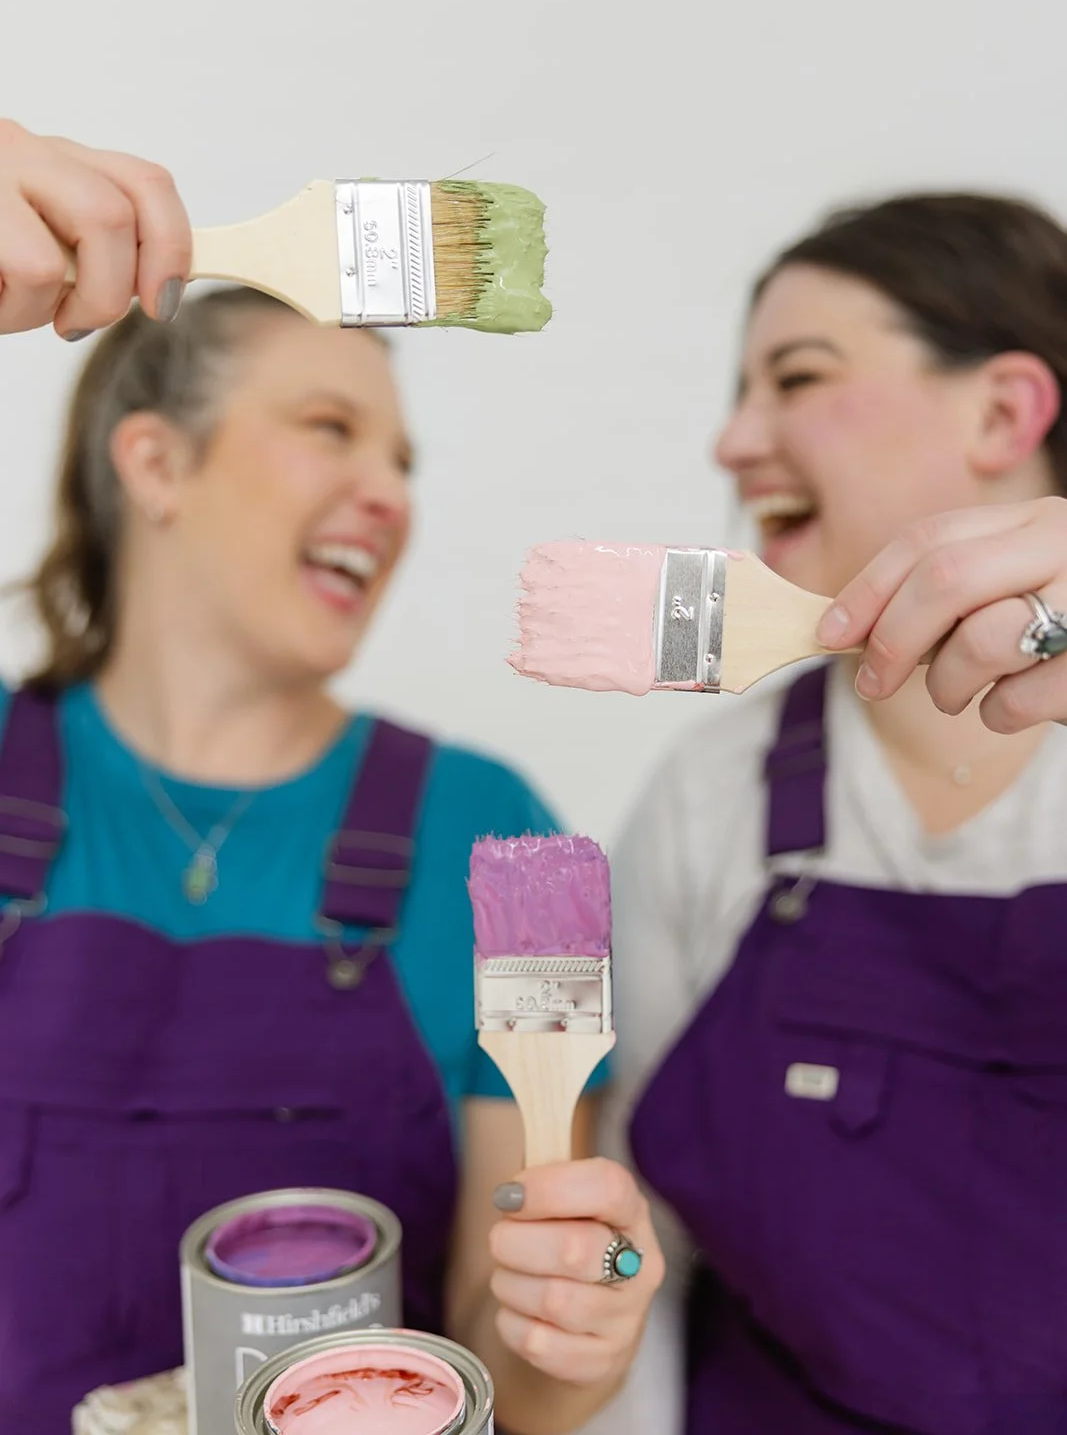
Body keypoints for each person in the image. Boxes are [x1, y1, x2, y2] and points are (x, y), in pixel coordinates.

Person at [0, 121, 664, 1435]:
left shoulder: (500, 836)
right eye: (329, 429)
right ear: (156, 462)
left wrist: (568, 1346)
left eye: (402, 464)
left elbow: (508, 1354)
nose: (388, 496)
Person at [607, 191, 1067, 1434]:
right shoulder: (708, 796)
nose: (730, 441)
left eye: (795, 377)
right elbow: (630, 1252)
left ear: (1002, 410)